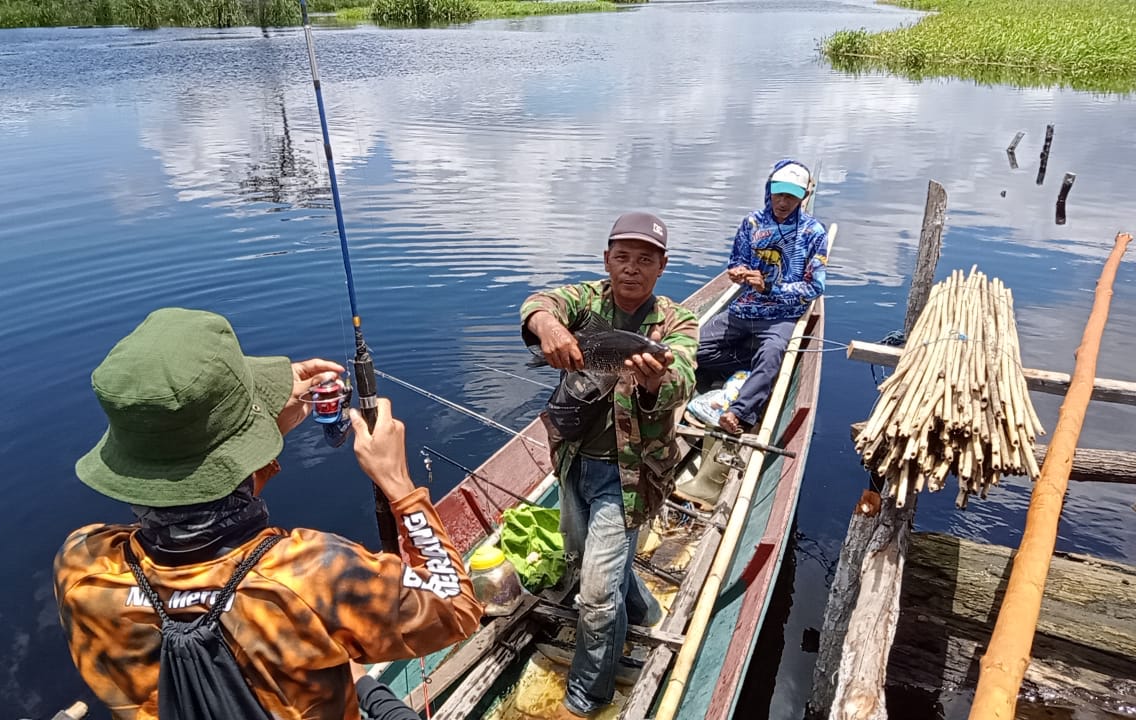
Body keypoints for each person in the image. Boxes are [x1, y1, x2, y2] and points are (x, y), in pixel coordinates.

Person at [53, 307, 483, 720]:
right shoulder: (312, 575)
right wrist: (398, 484)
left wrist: (252, 443)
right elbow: (456, 607)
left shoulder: (81, 566)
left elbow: (188, 528)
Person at [520, 212, 698, 717]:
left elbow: (683, 374)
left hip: (631, 476)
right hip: (574, 461)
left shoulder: (675, 321)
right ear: (607, 261)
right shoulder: (587, 303)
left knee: (596, 595)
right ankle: (643, 609)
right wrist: (549, 327)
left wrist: (652, 380)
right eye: (623, 257)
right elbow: (540, 302)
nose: (632, 269)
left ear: (662, 267)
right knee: (585, 559)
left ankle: (587, 695)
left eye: (645, 260)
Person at [696, 159, 828, 434]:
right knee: (693, 347)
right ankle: (757, 367)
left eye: (791, 195)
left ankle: (740, 412)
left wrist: (771, 288)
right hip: (746, 308)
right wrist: (737, 272)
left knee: (772, 351)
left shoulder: (813, 232)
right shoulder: (752, 222)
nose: (782, 201)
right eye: (778, 193)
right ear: (769, 190)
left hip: (782, 314)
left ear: (803, 197)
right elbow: (736, 261)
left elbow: (814, 287)